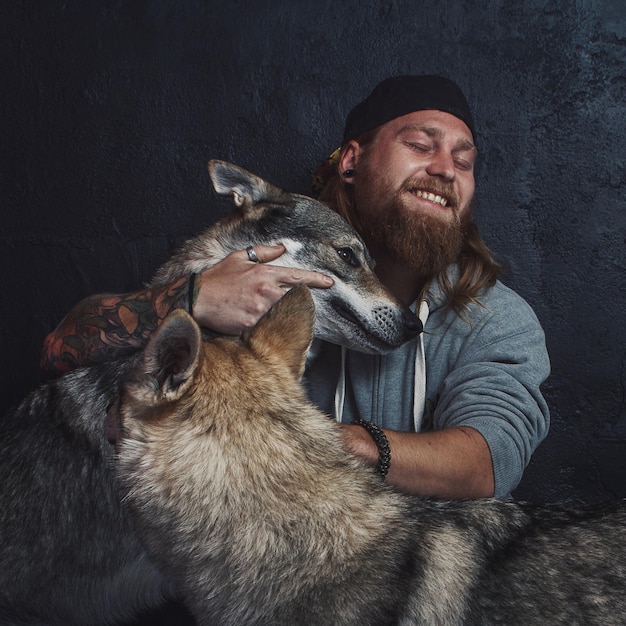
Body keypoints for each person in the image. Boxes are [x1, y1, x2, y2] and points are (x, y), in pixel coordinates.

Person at [41, 75, 550, 500]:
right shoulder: (265, 268)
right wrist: (193, 297)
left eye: (464, 162)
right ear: (350, 161)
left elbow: (486, 461)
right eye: (420, 145)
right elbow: (60, 349)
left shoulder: (498, 320)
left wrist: (312, 442)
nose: (445, 169)